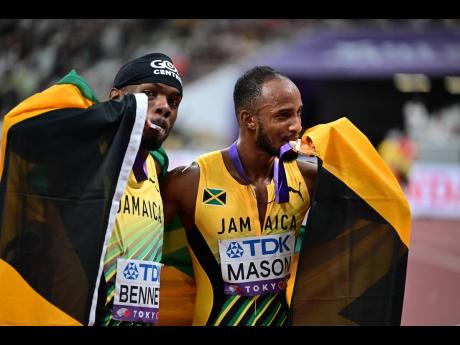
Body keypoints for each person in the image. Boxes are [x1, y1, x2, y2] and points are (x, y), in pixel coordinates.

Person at [160, 66, 317, 326]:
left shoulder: (308, 179)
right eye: (284, 115)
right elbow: (135, 251)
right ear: (249, 119)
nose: (297, 126)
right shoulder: (190, 183)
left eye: (299, 113)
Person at [94, 52, 183, 326]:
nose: (164, 107)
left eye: (173, 101)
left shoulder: (157, 169)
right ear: (116, 97)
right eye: (149, 93)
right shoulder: (88, 160)